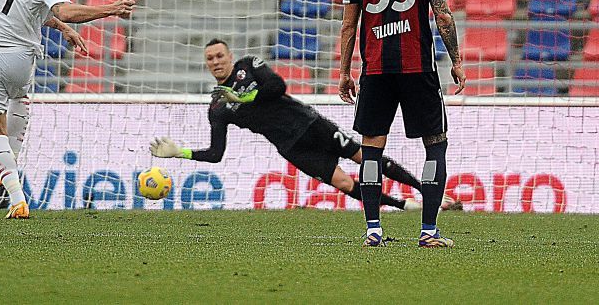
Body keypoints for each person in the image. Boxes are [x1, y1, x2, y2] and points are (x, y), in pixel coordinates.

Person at [149, 39, 460, 213]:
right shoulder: (217, 107)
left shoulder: (248, 66)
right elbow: (217, 154)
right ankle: (405, 206)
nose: (216, 61)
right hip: (291, 146)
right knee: (344, 184)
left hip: (309, 123)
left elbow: (277, 87)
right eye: (210, 59)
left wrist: (243, 98)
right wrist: (181, 152)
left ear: (230, 56)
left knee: (366, 159)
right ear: (207, 65)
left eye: (219, 55)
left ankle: (429, 192)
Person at [0, 0, 141, 218]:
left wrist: (61, 27)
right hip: (18, 60)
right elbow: (63, 10)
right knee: (19, 101)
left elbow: (21, 8)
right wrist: (111, 8)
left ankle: (12, 195)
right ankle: (11, 189)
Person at [338, 0, 465, 248]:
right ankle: (428, 231)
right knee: (435, 145)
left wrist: (344, 71)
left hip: (375, 69)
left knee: (372, 150)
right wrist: (455, 60)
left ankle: (373, 230)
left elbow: (349, 26)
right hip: (417, 68)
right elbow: (442, 15)